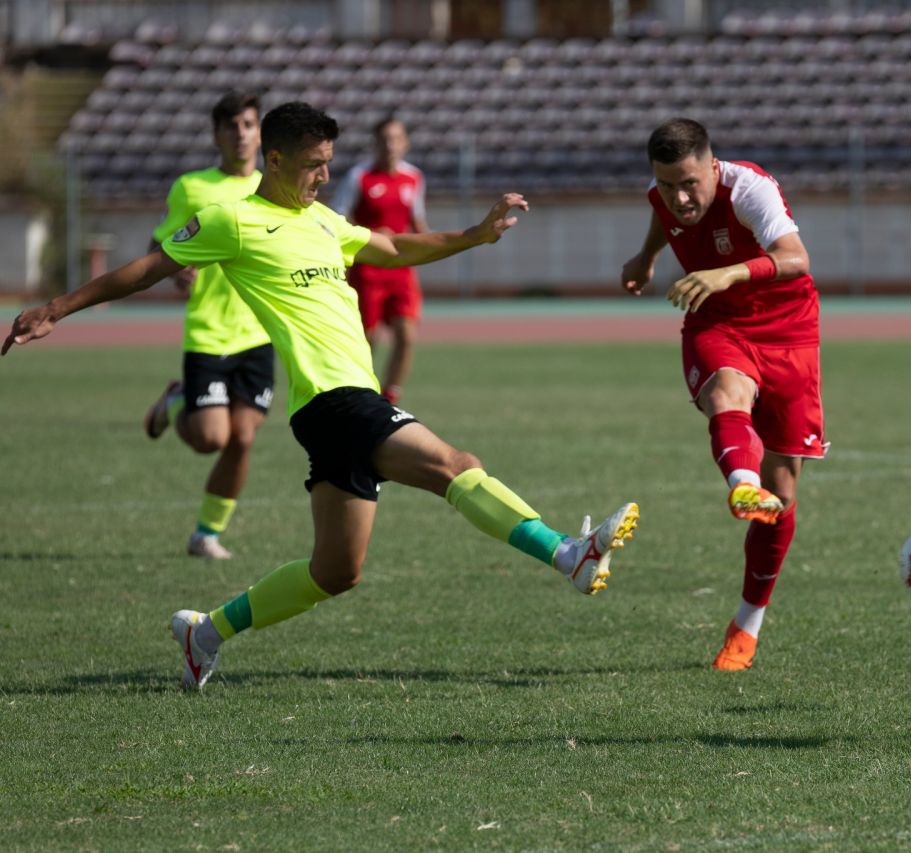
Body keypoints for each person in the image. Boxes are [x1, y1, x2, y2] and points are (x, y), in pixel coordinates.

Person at [5, 102, 640, 691]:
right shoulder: (232, 220)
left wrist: (473, 235)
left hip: (338, 405)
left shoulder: (322, 220)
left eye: (330, 163)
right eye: (313, 165)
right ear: (274, 160)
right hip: (332, 399)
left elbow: (391, 248)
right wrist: (58, 307)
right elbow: (150, 267)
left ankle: (206, 631)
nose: (324, 175)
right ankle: (567, 553)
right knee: (458, 466)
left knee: (336, 572)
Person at [620, 118, 824, 671]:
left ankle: (747, 623)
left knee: (782, 497)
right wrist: (647, 257)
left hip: (789, 331)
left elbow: (797, 257)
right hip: (718, 325)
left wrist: (727, 273)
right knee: (726, 393)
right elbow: (664, 217)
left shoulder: (748, 189)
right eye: (667, 185)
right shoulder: (664, 197)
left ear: (712, 167)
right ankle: (741, 485)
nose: (680, 197)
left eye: (690, 183)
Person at [144, 90, 270, 560]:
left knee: (243, 438)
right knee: (211, 439)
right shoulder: (191, 188)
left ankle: (206, 535)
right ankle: (176, 401)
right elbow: (158, 243)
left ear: (260, 134)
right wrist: (175, 268)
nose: (241, 134)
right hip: (209, 332)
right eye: (232, 125)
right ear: (216, 134)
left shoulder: (272, 189)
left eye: (249, 124)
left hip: (259, 335)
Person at [330, 116, 428, 406]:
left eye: (396, 138)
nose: (390, 145)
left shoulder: (414, 178)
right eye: (384, 139)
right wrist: (372, 235)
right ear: (374, 143)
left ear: (405, 143)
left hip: (400, 270)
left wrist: (432, 245)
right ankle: (361, 393)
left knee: (406, 335)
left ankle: (390, 395)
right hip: (367, 270)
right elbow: (337, 218)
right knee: (367, 340)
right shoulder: (359, 177)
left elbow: (418, 221)